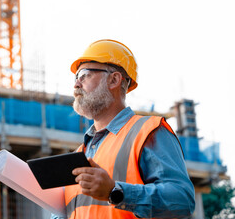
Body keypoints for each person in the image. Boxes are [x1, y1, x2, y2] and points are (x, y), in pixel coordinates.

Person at [52, 39, 195, 219]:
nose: (76, 84)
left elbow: (182, 200)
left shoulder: (147, 131)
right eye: (76, 77)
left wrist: (115, 192)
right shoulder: (79, 154)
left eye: (84, 74)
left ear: (114, 80)